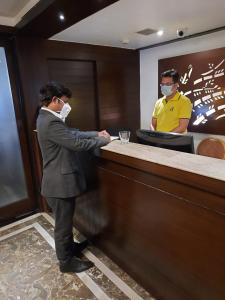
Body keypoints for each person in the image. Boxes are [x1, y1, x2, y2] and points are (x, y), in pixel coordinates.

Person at [36, 81, 110, 273]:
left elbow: (72, 133)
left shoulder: (47, 117)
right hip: (58, 184)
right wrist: (102, 140)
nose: (66, 105)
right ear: (55, 100)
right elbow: (76, 144)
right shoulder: (50, 121)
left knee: (66, 222)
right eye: (64, 101)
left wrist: (95, 133)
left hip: (58, 182)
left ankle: (70, 249)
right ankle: (66, 261)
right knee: (63, 225)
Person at [151, 69, 192, 133]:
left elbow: (182, 127)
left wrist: (165, 137)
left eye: (168, 84)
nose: (164, 86)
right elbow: (153, 124)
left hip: (175, 141)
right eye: (162, 84)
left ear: (176, 85)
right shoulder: (158, 102)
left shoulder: (185, 101)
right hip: (158, 140)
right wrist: (153, 134)